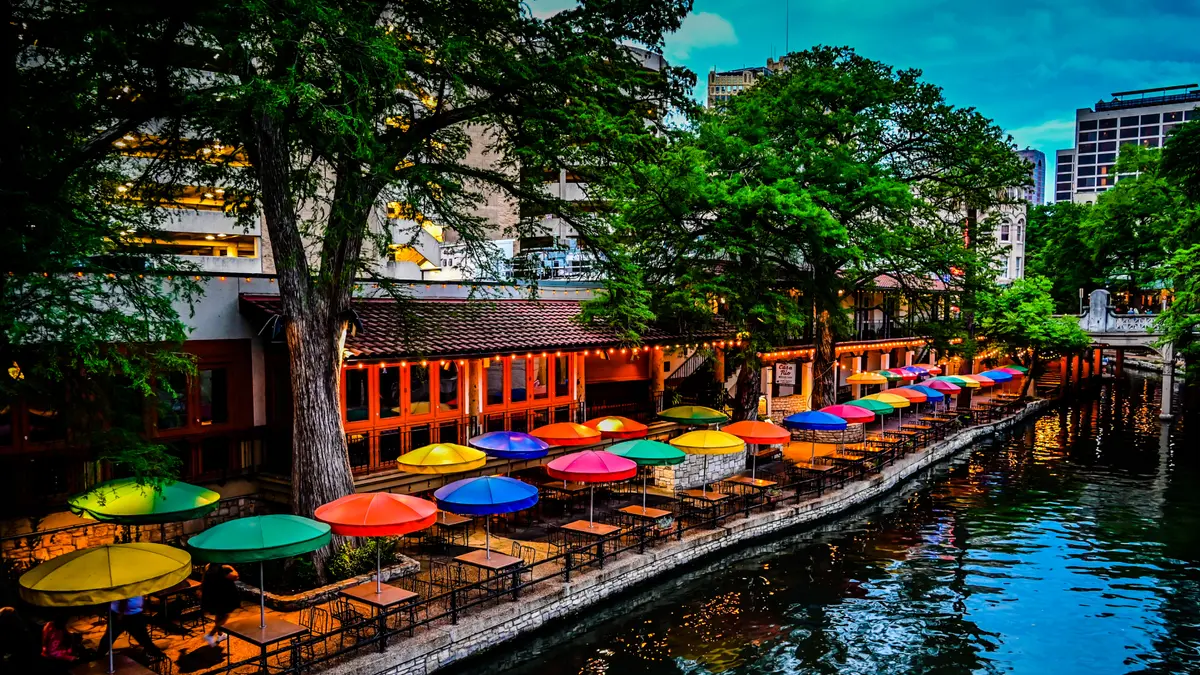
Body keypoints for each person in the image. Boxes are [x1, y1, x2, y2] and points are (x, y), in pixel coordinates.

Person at [201, 563, 240, 647]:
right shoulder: (223, 568)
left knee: (219, 614)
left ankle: (220, 634)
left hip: (215, 595)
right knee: (226, 615)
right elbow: (235, 576)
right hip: (224, 595)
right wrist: (231, 568)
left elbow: (204, 579)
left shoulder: (208, 567)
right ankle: (210, 635)